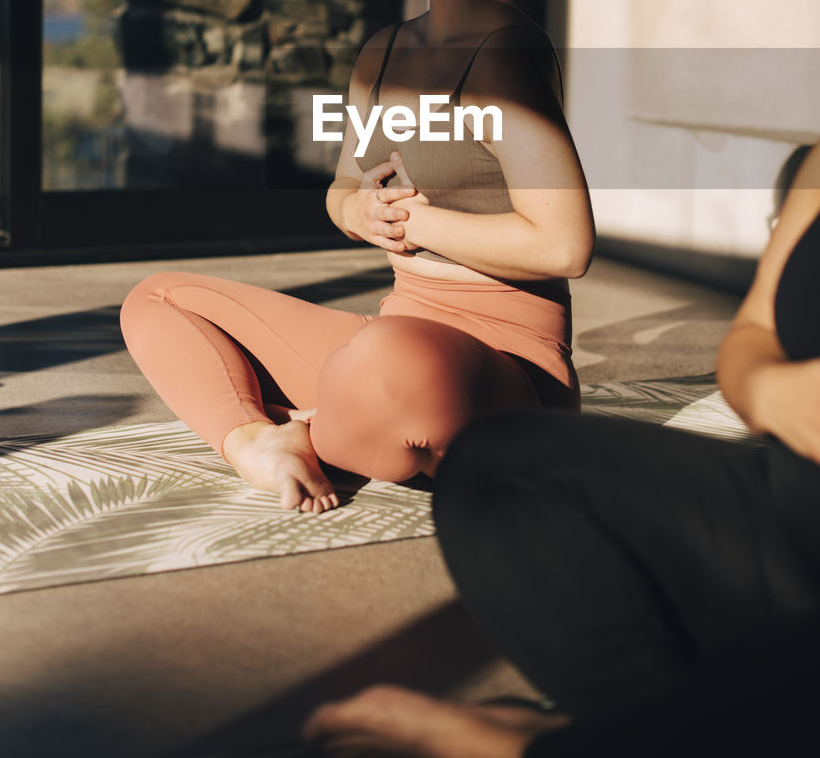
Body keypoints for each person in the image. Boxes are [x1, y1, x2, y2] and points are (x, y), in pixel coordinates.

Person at [119, 0, 594, 513]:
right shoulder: (383, 51)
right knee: (157, 300)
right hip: (397, 328)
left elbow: (563, 244)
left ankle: (330, 419)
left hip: (500, 365)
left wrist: (417, 221)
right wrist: (361, 211)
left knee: (386, 361)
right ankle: (259, 440)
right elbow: (343, 187)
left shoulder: (503, 55)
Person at [303, 142, 820, 756]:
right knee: (494, 470)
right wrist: (771, 388)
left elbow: (564, 247)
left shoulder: (509, 78)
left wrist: (408, 221)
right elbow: (753, 334)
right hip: (795, 504)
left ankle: (561, 746)